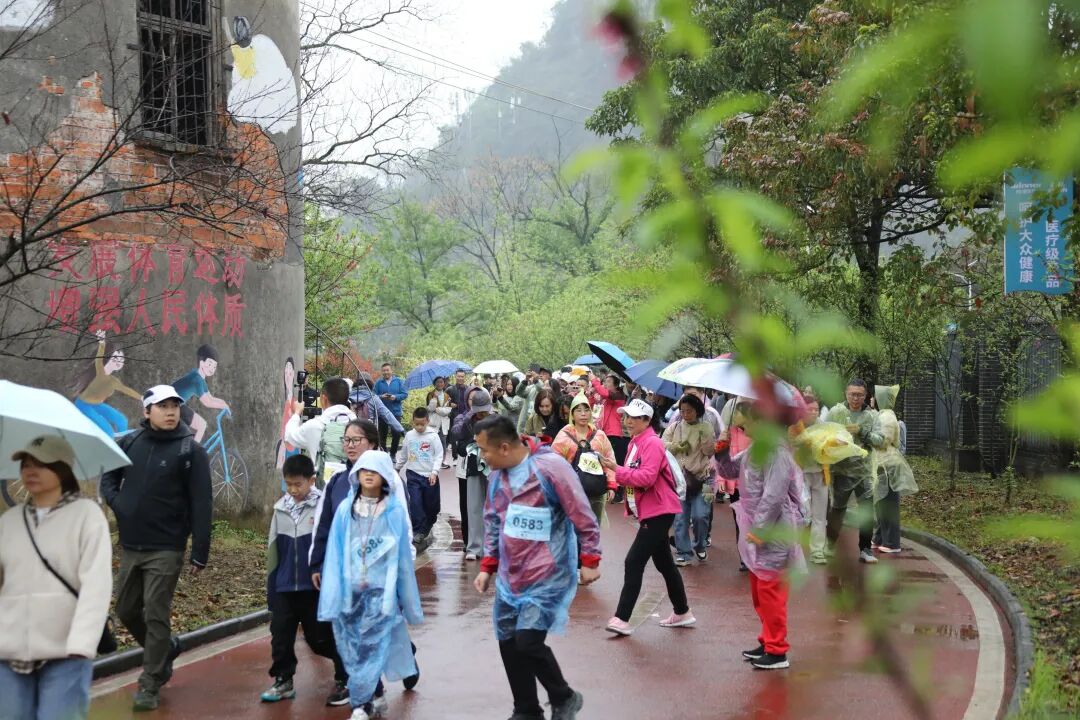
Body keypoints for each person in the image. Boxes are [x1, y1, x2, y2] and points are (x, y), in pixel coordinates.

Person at [472, 415, 601, 720]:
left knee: (528, 641)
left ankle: (564, 696)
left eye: (484, 450)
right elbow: (492, 521)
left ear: (504, 447)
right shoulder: (497, 477)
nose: (482, 457)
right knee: (507, 640)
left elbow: (581, 513)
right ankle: (527, 708)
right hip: (511, 575)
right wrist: (488, 565)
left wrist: (590, 559)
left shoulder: (550, 468)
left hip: (548, 573)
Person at [99, 385, 212, 711]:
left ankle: (150, 682)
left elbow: (202, 504)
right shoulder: (130, 442)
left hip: (167, 546)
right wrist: (118, 503)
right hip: (132, 544)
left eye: (174, 405)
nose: (171, 411)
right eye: (162, 406)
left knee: (155, 610)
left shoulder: (190, 451)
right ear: (147, 411)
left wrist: (199, 551)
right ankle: (165, 648)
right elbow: (109, 476)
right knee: (126, 610)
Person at [0, 436, 111, 720]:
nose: (30, 471)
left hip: (66, 651)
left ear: (63, 469)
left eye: (41, 464)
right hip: (9, 651)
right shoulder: (10, 521)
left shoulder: (87, 516)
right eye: (25, 464)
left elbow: (96, 585)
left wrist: (81, 645)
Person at [318, 452, 423, 720]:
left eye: (374, 471)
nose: (368, 474)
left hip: (381, 595)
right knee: (354, 649)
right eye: (363, 469)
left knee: (372, 646)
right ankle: (374, 694)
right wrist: (333, 593)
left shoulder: (393, 512)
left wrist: (407, 601)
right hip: (351, 594)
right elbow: (335, 553)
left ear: (385, 476)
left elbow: (401, 559)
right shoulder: (346, 510)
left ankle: (361, 704)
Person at [598, 399, 694, 636]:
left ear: (647, 420)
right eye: (626, 416)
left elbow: (646, 478)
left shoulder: (651, 442)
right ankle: (682, 611)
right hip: (654, 510)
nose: (627, 421)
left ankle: (622, 618)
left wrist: (616, 470)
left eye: (633, 417)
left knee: (633, 561)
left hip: (659, 510)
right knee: (664, 564)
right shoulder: (637, 441)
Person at [262, 454, 348, 706]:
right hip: (285, 586)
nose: (293, 489)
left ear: (312, 480)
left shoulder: (323, 507)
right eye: (288, 484)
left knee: (320, 639)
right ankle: (283, 680)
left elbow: (330, 546)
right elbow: (273, 552)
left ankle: (345, 674)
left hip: (314, 588)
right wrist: (272, 588)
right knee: (280, 636)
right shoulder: (280, 509)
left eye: (298, 484)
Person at [734, 400, 807, 670]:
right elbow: (731, 470)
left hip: (774, 530)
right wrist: (718, 452)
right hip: (758, 527)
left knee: (771, 590)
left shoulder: (777, 452)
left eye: (744, 420)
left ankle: (777, 650)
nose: (740, 425)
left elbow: (774, 495)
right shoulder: (758, 448)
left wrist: (761, 528)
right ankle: (767, 640)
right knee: (759, 589)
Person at [825, 379, 884, 564]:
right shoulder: (836, 412)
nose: (856, 398)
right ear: (846, 393)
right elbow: (823, 436)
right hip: (841, 469)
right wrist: (836, 439)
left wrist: (862, 432)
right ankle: (830, 544)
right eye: (852, 394)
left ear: (865, 395)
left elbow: (880, 440)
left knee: (866, 510)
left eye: (859, 395)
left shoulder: (872, 416)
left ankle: (865, 549)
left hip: (864, 470)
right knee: (837, 509)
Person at [663, 394, 715, 566]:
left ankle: (700, 545)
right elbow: (662, 443)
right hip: (679, 481)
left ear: (697, 410)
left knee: (701, 516)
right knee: (680, 519)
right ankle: (684, 553)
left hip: (704, 479)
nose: (686, 414)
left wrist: (705, 436)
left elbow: (709, 452)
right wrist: (675, 446)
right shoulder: (675, 426)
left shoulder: (706, 427)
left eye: (689, 411)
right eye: (683, 411)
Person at [551, 393, 617, 526]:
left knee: (593, 528)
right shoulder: (564, 436)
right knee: (572, 528)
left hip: (596, 491)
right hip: (571, 492)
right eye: (579, 410)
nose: (583, 414)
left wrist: (611, 484)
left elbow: (609, 459)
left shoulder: (599, 436)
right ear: (572, 414)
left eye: (586, 410)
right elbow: (554, 464)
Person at [871, 385, 918, 554]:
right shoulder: (884, 415)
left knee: (888, 504)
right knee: (881, 502)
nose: (872, 399)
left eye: (875, 396)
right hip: (883, 463)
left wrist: (866, 435)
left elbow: (882, 440)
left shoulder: (886, 418)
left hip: (887, 465)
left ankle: (892, 543)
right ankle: (879, 538)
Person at [283, 377, 356, 483]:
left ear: (323, 398)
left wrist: (297, 413)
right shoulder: (360, 426)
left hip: (323, 488)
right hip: (352, 487)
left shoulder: (314, 425)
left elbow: (289, 437)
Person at [71, 330, 142, 435]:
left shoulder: (114, 381)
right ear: (108, 357)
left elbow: (125, 389)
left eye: (122, 359)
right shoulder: (100, 372)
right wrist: (102, 343)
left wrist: (141, 397)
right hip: (84, 405)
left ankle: (123, 442)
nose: (119, 361)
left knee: (122, 421)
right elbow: (99, 359)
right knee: (108, 431)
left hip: (97, 405)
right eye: (116, 357)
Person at [454, 389, 495, 560]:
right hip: (473, 467)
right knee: (473, 508)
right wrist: (473, 444)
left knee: (494, 507)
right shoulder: (467, 422)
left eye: (484, 411)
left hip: (494, 467)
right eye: (479, 411)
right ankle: (474, 547)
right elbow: (460, 447)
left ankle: (493, 547)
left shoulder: (497, 421)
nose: (481, 414)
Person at [792, 391, 828, 564]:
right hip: (801, 474)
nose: (814, 412)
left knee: (820, 515)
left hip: (821, 473)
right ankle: (794, 550)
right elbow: (791, 442)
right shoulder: (794, 426)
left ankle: (817, 551)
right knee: (801, 514)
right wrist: (805, 440)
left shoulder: (824, 426)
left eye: (816, 409)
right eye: (810, 409)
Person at [170, 344, 230, 443]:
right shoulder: (196, 379)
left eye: (214, 366)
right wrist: (223, 406)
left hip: (176, 404)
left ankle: (191, 449)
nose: (212, 369)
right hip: (171, 405)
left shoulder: (200, 379)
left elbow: (210, 398)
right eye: (210, 364)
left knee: (199, 426)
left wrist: (224, 403)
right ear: (202, 363)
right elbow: (207, 402)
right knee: (201, 425)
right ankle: (193, 451)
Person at [402, 407, 443, 549]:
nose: (419, 427)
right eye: (416, 424)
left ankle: (429, 522)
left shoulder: (433, 436)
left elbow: (439, 455)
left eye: (422, 424)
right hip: (413, 474)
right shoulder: (409, 436)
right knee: (415, 503)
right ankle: (418, 530)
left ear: (427, 421)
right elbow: (404, 454)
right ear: (412, 422)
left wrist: (434, 472)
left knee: (432, 506)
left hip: (429, 476)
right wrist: (396, 468)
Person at [350, 373, 405, 440]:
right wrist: (400, 429)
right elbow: (386, 414)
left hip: (352, 433)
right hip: (370, 433)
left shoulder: (348, 397)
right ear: (370, 383)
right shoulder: (373, 398)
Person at [589, 372, 627, 463]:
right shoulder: (605, 399)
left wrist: (594, 380)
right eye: (605, 381)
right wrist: (592, 394)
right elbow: (591, 407)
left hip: (614, 434)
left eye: (609, 381)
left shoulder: (619, 395)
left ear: (616, 385)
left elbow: (604, 393)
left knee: (612, 462)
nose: (605, 384)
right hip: (603, 432)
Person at [374, 363, 409, 460]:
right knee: (382, 435)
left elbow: (405, 394)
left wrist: (395, 397)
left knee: (396, 433)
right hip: (382, 413)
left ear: (391, 371)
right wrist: (381, 396)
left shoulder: (399, 381)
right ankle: (384, 454)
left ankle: (393, 454)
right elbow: (373, 395)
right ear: (382, 372)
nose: (386, 372)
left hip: (396, 412)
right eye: (384, 370)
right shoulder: (378, 383)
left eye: (387, 370)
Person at [426, 377, 453, 468]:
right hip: (433, 422)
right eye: (437, 382)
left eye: (441, 382)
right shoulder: (430, 394)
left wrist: (438, 410)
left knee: (443, 442)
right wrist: (434, 399)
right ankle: (431, 460)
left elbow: (448, 410)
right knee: (432, 441)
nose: (440, 384)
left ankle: (443, 461)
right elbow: (430, 408)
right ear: (434, 384)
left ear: (444, 384)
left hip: (444, 422)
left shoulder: (447, 396)